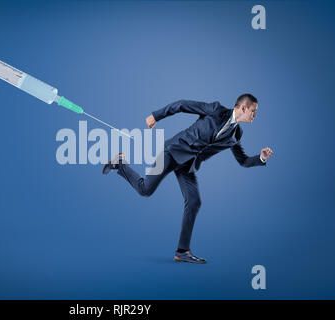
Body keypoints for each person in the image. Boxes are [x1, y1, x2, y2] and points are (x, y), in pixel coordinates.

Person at [102, 94, 273, 263]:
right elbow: (183, 104)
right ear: (243, 108)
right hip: (172, 152)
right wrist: (156, 116)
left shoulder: (236, 135)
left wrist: (261, 158)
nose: (255, 115)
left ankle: (182, 251)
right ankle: (120, 164)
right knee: (145, 189)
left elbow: (243, 161)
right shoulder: (215, 110)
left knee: (194, 202)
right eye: (253, 111)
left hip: (187, 165)